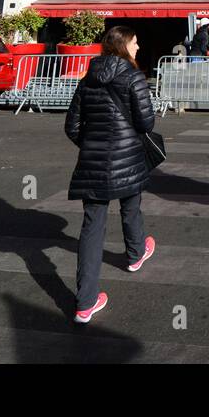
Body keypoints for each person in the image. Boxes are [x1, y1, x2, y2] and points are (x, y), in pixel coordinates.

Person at [65, 25, 157, 324]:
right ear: (123, 46)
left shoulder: (88, 78)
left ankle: (85, 303)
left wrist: (92, 145)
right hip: (128, 158)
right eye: (135, 42)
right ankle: (134, 255)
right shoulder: (133, 77)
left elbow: (72, 126)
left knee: (92, 228)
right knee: (131, 207)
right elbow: (146, 124)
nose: (138, 47)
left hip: (92, 162)